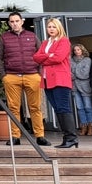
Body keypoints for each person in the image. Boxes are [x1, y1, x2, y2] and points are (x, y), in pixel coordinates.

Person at [0, 12, 47, 146]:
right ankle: (15, 136)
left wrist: (39, 74)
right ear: (8, 23)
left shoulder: (32, 36)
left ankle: (40, 136)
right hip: (11, 77)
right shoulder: (4, 38)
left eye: (17, 21)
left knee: (35, 107)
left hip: (32, 75)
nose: (14, 23)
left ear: (22, 21)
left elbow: (41, 55)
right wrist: (3, 75)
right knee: (13, 108)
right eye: (11, 21)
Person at [35, 18, 77, 149]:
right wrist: (49, 56)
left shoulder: (63, 41)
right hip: (48, 80)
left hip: (60, 79)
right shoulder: (45, 42)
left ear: (59, 28)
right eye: (49, 27)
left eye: (54, 26)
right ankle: (67, 137)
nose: (51, 29)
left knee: (64, 108)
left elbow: (58, 57)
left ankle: (71, 137)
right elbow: (36, 57)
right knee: (58, 109)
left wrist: (45, 57)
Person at [70, 44, 92, 136]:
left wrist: (74, 73)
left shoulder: (87, 60)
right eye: (75, 50)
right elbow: (68, 74)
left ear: (82, 50)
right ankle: (83, 126)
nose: (77, 51)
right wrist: (76, 73)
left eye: (79, 50)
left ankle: (91, 126)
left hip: (85, 87)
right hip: (75, 87)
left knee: (88, 107)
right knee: (80, 107)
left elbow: (85, 74)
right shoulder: (71, 60)